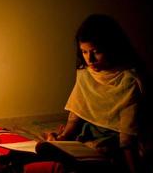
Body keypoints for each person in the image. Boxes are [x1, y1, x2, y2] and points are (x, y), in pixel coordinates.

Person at [46, 14, 146, 173]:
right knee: (64, 142)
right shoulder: (85, 73)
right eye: (84, 52)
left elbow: (128, 134)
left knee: (100, 150)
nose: (90, 59)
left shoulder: (128, 79)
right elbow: (77, 110)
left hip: (117, 135)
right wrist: (64, 137)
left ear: (112, 47)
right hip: (90, 129)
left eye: (96, 52)